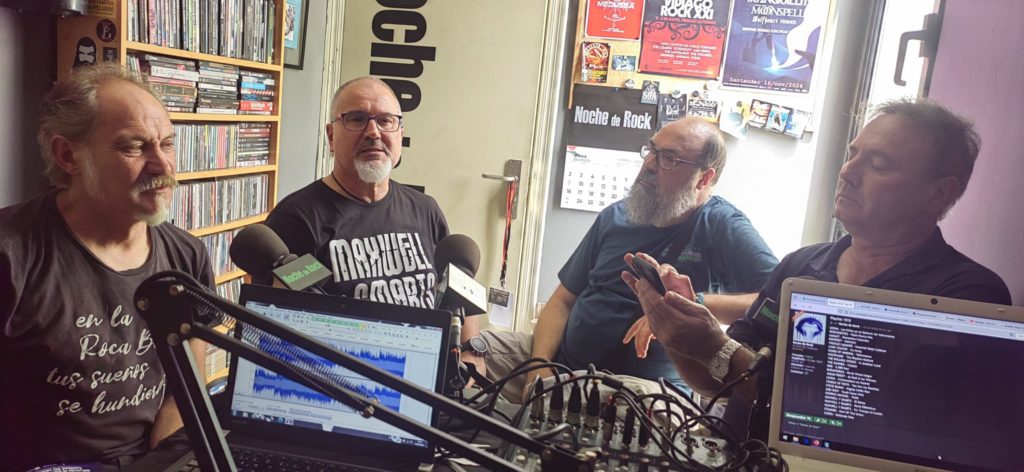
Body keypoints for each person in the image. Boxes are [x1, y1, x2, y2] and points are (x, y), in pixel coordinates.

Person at [626, 98, 1012, 440]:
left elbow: (851, 413)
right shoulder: (800, 265)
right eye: (853, 154)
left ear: (939, 192)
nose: (848, 172)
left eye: (878, 164)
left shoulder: (967, 296)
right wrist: (678, 332)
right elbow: (719, 381)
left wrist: (715, 345)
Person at [0, 64, 214, 470]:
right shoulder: (11, 256)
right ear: (68, 156)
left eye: (167, 144)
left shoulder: (187, 257)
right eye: (134, 146)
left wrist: (161, 464)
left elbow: (183, 392)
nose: (163, 166)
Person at [482, 117, 779, 401]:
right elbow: (561, 301)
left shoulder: (723, 226)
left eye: (669, 158)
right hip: (563, 366)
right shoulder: (615, 216)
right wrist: (539, 366)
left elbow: (778, 306)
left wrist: (691, 305)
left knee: (584, 409)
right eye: (651, 150)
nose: (649, 163)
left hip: (646, 389)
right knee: (474, 352)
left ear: (704, 177)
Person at [263, 76, 486, 375]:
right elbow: (275, 331)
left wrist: (472, 355)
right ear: (331, 136)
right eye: (356, 119)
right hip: (342, 382)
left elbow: (458, 291)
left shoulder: (425, 209)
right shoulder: (297, 219)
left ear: (400, 134)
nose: (373, 132)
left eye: (385, 121)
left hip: (427, 377)